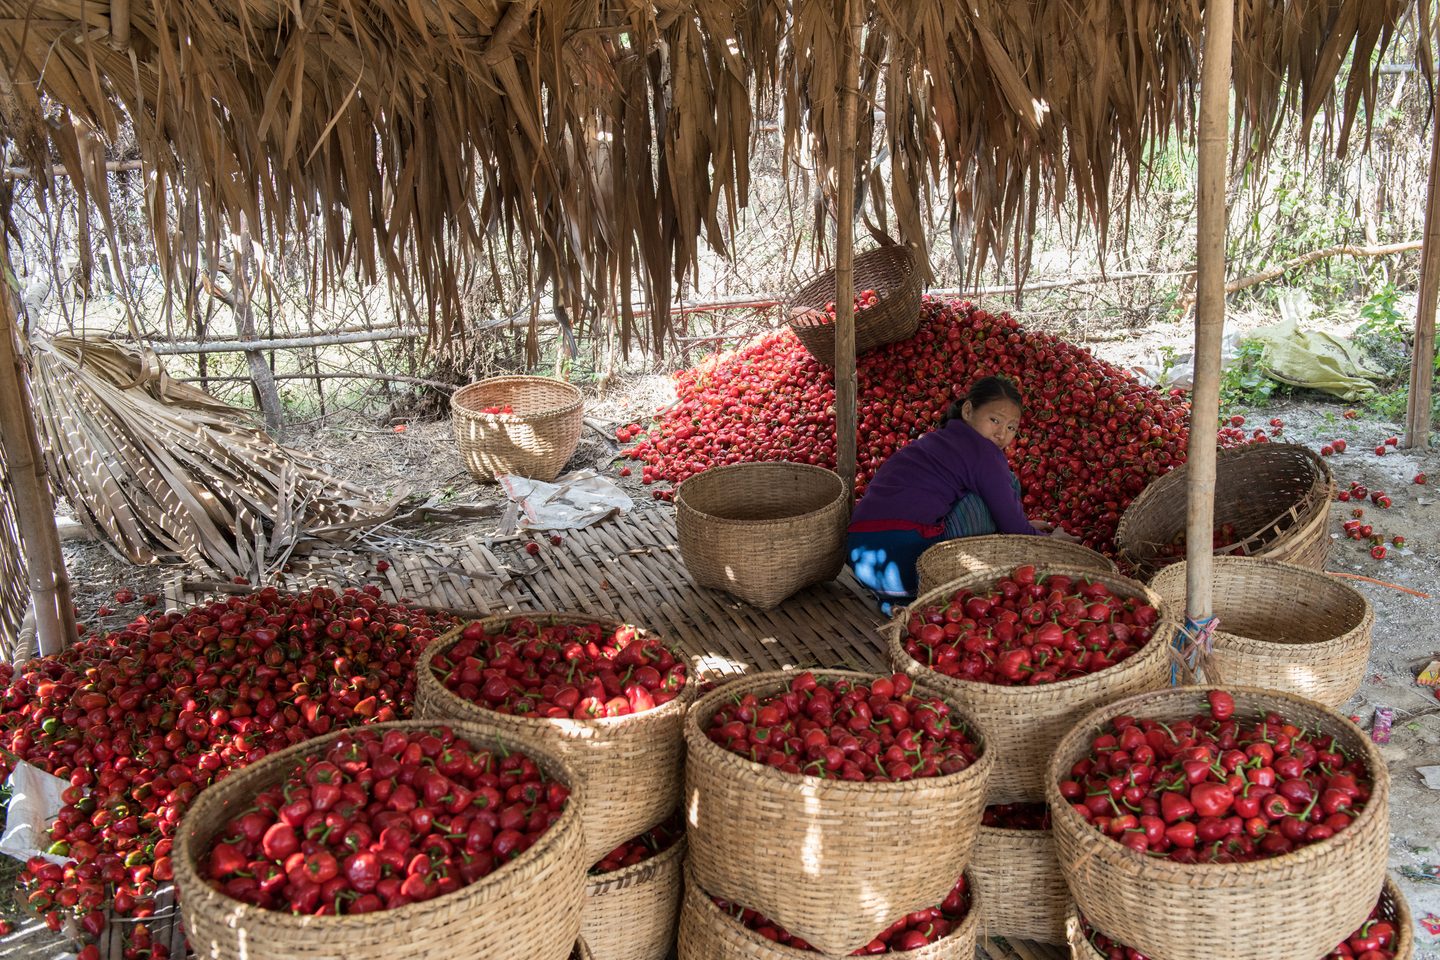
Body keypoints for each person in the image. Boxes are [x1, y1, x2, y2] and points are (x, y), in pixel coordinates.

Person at [845, 375, 1072, 612]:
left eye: (1011, 427)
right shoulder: (986, 454)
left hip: (863, 560)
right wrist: (1049, 541)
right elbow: (1013, 528)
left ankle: (896, 603)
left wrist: (1023, 524)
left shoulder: (937, 439)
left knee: (983, 488)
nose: (1001, 434)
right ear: (967, 410)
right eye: (995, 420)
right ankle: (913, 596)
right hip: (911, 567)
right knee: (1006, 483)